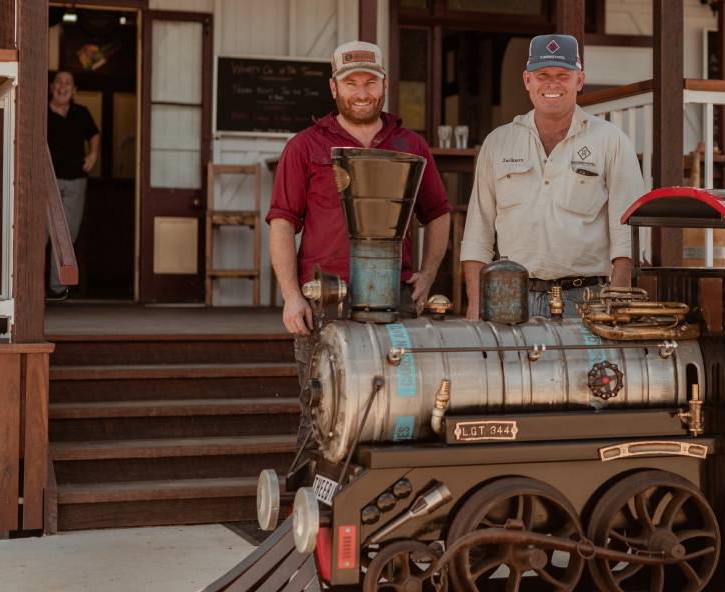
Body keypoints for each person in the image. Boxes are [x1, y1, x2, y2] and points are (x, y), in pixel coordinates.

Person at [266, 40, 451, 465]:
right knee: (319, 413)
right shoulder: (304, 146)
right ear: (334, 87)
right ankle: (309, 517)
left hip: (395, 300)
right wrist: (291, 296)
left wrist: (427, 275)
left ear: (385, 86)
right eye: (352, 83)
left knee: (399, 406)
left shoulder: (411, 145)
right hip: (323, 301)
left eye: (371, 81)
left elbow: (439, 213)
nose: (362, 91)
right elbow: (282, 224)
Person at [460, 34, 645, 319]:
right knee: (512, 366)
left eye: (562, 75)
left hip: (588, 301)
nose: (552, 84)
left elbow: (627, 234)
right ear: (527, 81)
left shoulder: (611, 141)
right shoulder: (497, 143)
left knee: (590, 367)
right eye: (542, 75)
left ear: (579, 80)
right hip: (509, 296)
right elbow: (477, 234)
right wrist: (475, 306)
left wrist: (618, 304)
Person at [46, 70, 100, 301]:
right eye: (59, 82)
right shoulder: (42, 110)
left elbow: (94, 134)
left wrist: (93, 155)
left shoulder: (81, 113)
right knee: (41, 234)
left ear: (75, 90)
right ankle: (28, 287)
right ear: (51, 87)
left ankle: (57, 290)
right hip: (47, 181)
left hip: (76, 181)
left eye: (68, 83)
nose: (63, 86)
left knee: (67, 234)